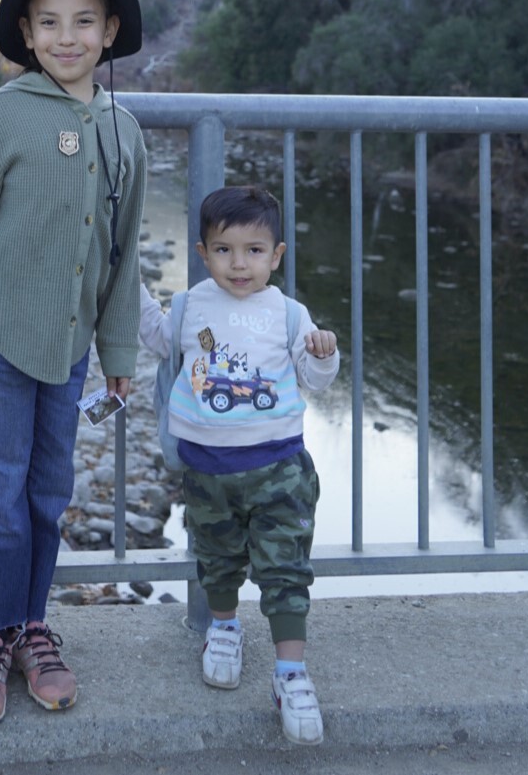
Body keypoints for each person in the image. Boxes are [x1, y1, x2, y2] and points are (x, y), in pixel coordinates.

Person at [0, 0, 147, 726]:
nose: (66, 36)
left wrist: (119, 351)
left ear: (111, 31)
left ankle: (32, 625)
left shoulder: (126, 132)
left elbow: (122, 258)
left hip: (70, 346)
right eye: (49, 21)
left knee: (48, 495)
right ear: (25, 29)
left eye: (84, 21)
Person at [138, 185, 339, 745]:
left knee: (285, 569)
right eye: (224, 250)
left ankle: (291, 673)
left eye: (254, 250)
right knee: (217, 557)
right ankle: (223, 629)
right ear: (203, 254)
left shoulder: (287, 313)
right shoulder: (191, 306)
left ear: (276, 255)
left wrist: (323, 354)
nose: (239, 263)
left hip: (280, 468)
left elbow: (315, 381)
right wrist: (125, 285)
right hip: (208, 470)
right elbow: (156, 337)